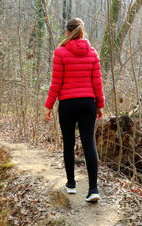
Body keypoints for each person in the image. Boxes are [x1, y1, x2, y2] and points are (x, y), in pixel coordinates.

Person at [44, 18, 104, 202]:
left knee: (68, 143)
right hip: (88, 104)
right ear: (82, 32)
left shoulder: (60, 53)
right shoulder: (93, 53)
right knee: (89, 144)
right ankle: (93, 189)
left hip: (68, 104)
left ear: (67, 32)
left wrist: (48, 105)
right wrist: (100, 105)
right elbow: (97, 83)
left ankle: (71, 184)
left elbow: (56, 83)